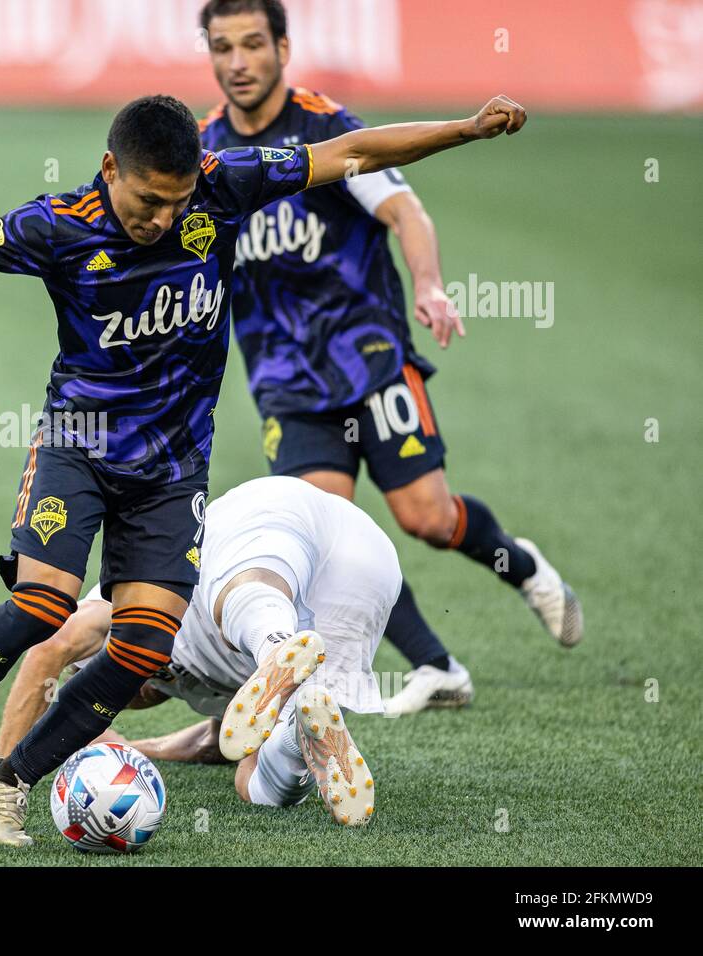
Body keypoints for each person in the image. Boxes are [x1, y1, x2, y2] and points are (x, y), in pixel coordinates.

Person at [0, 89, 529, 847]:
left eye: (177, 203)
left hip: (172, 469)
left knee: (142, 648)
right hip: (78, 444)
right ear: (110, 169)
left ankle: (9, 783)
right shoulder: (57, 225)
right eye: (149, 202)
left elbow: (351, 152)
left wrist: (466, 128)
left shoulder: (222, 188)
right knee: (42, 607)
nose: (163, 219)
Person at [195, 0, 581, 716]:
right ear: (210, 55)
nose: (239, 62)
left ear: (283, 46)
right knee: (325, 537)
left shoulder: (328, 130)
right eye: (224, 47)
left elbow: (405, 211)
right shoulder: (208, 156)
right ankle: (438, 666)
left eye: (253, 44)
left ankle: (519, 563)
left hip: (368, 354)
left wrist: (430, 284)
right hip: (285, 378)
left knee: (427, 518)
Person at [0, 476, 399, 826]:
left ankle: (276, 650)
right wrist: (140, 750)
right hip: (373, 565)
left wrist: (2, 774)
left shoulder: (122, 615)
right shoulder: (221, 691)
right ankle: (298, 730)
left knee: (237, 593)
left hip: (271, 515)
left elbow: (53, 646)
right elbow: (219, 741)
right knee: (253, 771)